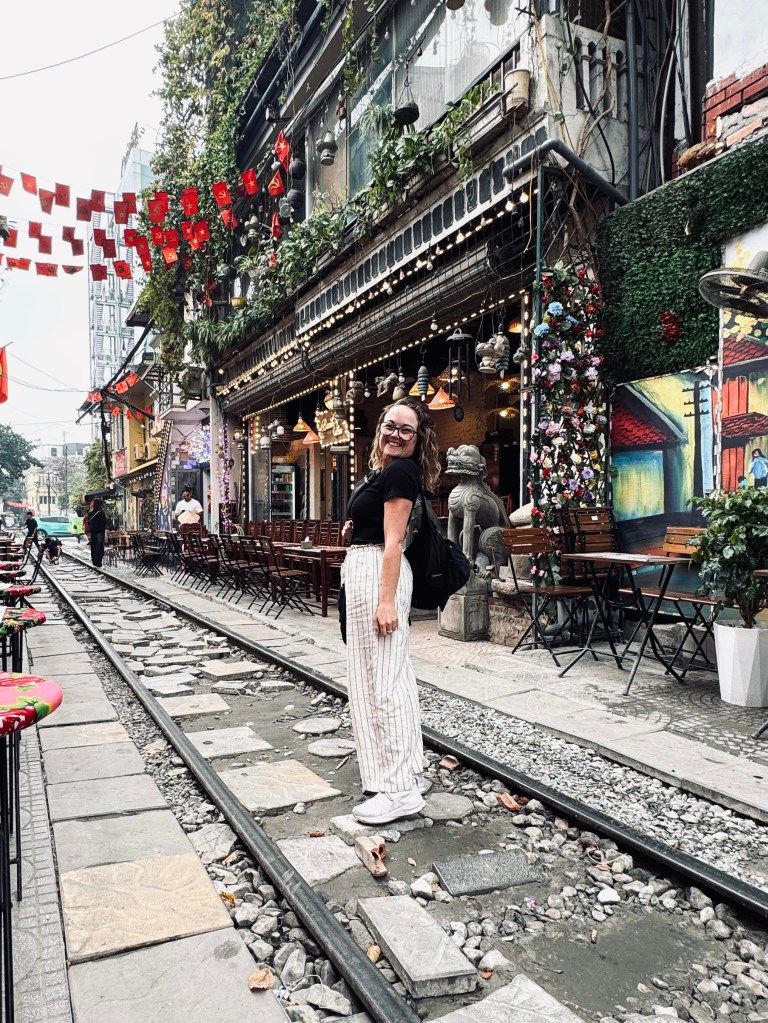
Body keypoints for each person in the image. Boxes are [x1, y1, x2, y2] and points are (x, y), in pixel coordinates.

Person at [342, 397, 441, 827]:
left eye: (406, 429)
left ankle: (399, 790)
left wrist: (386, 600)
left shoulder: (401, 470)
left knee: (383, 684)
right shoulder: (382, 472)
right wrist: (355, 528)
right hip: (367, 568)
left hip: (379, 574)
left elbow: (394, 541)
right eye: (389, 425)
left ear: (418, 439)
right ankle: (396, 777)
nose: (394, 434)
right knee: (378, 679)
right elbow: (380, 528)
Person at [88, 498, 107, 568]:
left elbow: (89, 522)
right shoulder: (102, 512)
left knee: (93, 546)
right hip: (100, 532)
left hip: (93, 532)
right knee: (99, 547)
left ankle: (94, 561)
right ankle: (98, 562)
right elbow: (104, 522)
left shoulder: (90, 513)